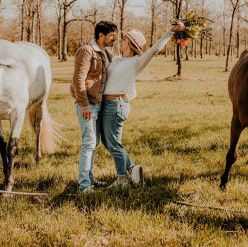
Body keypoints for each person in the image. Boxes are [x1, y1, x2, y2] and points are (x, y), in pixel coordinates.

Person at [101, 21, 185, 187]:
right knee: (107, 141)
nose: (120, 41)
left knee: (114, 143)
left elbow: (154, 51)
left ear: (131, 45)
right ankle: (132, 169)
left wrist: (169, 32)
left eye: (124, 39)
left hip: (117, 105)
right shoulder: (116, 60)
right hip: (107, 104)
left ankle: (122, 179)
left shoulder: (136, 61)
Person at [70, 20, 118, 193]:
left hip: (99, 103)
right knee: (89, 143)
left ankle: (89, 177)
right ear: (101, 35)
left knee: (94, 143)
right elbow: (78, 79)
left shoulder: (107, 54)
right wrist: (84, 105)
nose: (115, 38)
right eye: (112, 35)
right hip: (87, 104)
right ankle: (84, 185)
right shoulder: (87, 51)